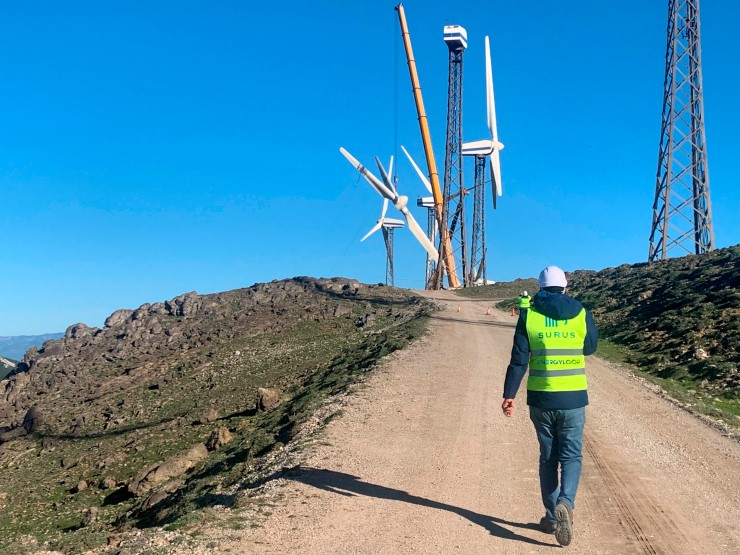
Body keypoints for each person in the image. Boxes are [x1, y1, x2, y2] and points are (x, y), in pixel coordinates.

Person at [501, 265, 598, 547]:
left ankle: (552, 517)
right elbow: (590, 347)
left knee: (548, 458)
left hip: (541, 399)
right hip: (574, 398)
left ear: (540, 289)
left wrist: (509, 394)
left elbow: (519, 359)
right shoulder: (581, 312)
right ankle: (565, 503)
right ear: (565, 288)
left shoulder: (529, 315)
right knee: (571, 456)